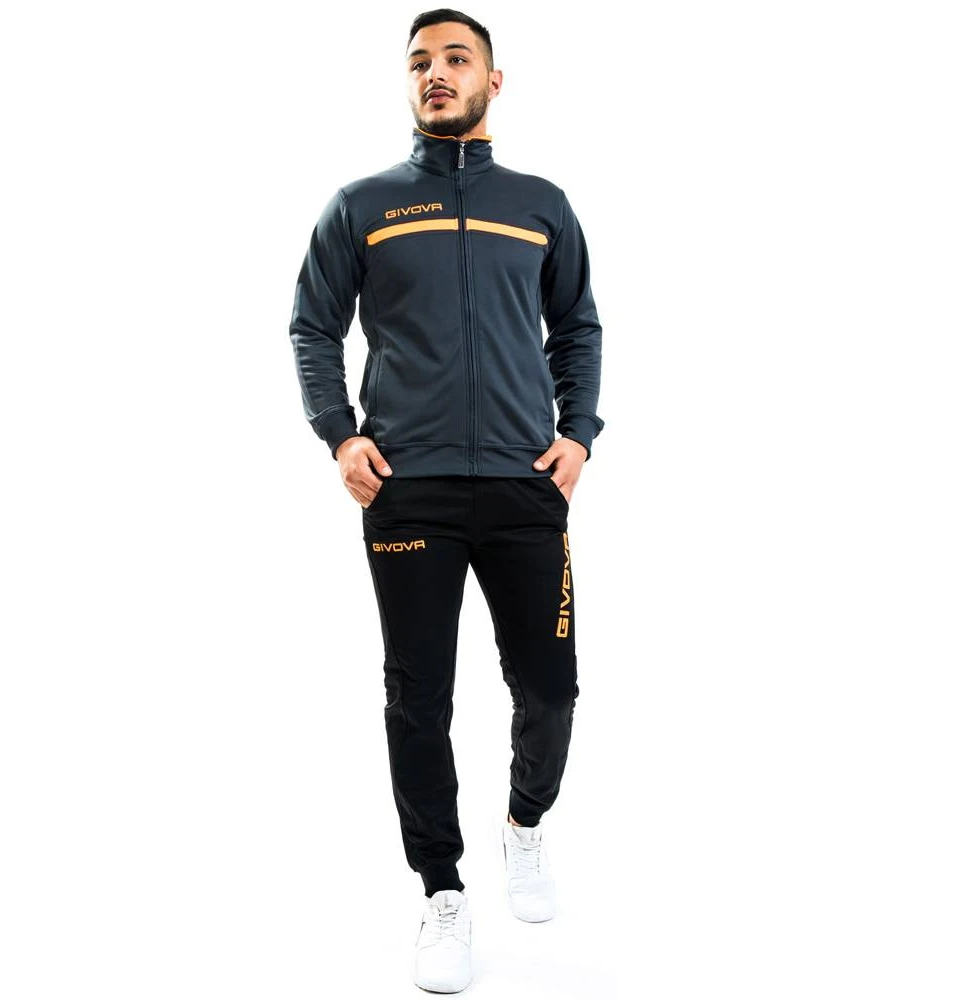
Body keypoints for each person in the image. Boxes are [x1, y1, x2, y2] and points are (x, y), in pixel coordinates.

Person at [288, 8, 605, 992]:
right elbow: (311, 326)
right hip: (407, 488)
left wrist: (577, 433)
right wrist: (339, 432)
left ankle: (524, 824)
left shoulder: (540, 204)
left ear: (491, 82)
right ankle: (441, 890)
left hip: (522, 482)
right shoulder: (362, 205)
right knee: (416, 697)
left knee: (549, 688)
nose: (436, 72)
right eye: (419, 61)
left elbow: (577, 327)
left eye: (456, 58)